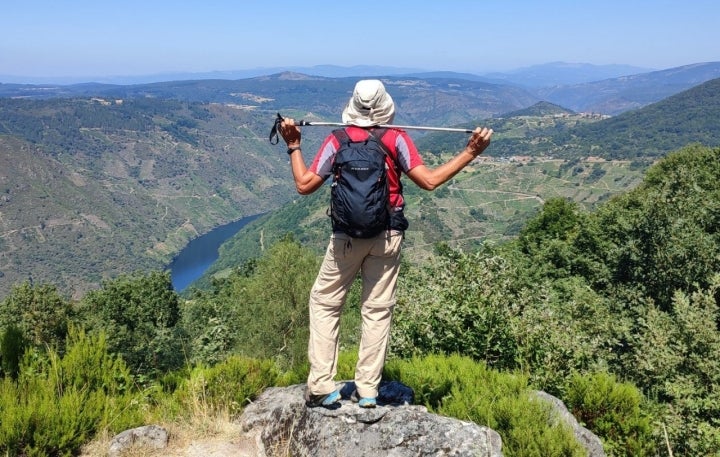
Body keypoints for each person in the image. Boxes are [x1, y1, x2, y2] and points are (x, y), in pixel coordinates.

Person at [278, 79, 493, 408]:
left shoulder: (337, 139)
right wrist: (470, 152)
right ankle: (367, 390)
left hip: (346, 238)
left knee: (325, 303)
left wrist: (294, 145)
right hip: (388, 235)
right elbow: (430, 181)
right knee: (377, 311)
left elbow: (304, 185)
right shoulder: (397, 138)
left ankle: (322, 383)